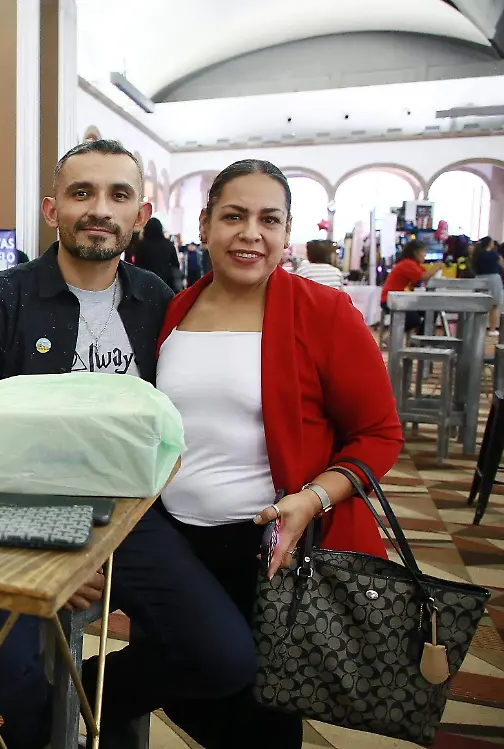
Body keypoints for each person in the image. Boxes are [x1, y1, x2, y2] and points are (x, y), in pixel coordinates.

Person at [142, 159, 402, 747]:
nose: (250, 233)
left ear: (288, 233)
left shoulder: (323, 313)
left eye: (269, 219)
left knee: (261, 717)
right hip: (177, 542)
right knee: (190, 695)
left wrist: (312, 499)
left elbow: (380, 433)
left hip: (269, 547)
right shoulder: (178, 310)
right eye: (233, 216)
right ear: (205, 225)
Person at [0, 138, 177, 749]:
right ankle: (63, 726)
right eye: (81, 193)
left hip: (133, 526)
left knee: (219, 653)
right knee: (6, 670)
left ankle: (81, 713)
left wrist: (102, 546)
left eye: (118, 195)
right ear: (51, 210)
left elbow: (174, 436)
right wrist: (59, 537)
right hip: (17, 521)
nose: (100, 208)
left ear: (140, 215)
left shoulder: (160, 305)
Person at [380, 239, 444, 332]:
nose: (425, 255)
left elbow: (425, 274)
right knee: (414, 319)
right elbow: (423, 276)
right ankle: (391, 335)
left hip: (402, 298)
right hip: (390, 299)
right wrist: (436, 267)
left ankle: (421, 338)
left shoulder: (414, 264)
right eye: (423, 251)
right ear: (416, 252)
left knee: (430, 311)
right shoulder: (407, 263)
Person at [132, 217, 183, 291]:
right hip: (166, 284)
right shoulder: (168, 244)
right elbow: (175, 264)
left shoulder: (141, 246)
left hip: (145, 283)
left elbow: (137, 265)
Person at [470, 236, 502, 333]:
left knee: (479, 305)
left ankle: (477, 329)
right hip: (494, 279)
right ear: (490, 244)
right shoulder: (495, 255)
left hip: (479, 279)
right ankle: (492, 330)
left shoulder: (476, 255)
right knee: (494, 305)